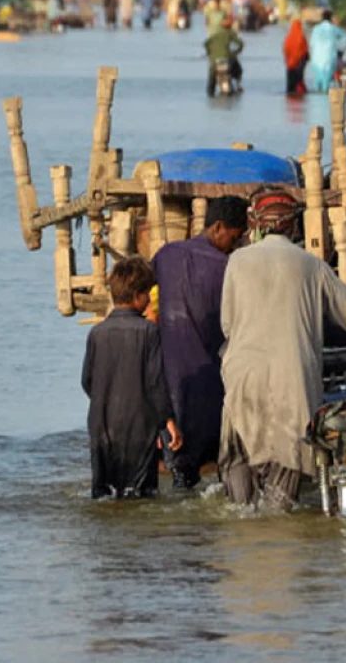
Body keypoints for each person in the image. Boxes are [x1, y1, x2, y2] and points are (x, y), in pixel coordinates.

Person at [219, 189, 346, 509]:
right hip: (293, 380)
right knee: (287, 465)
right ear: (293, 227)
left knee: (237, 458)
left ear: (257, 225)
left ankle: (241, 521)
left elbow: (227, 324)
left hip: (242, 375)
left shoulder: (237, 260)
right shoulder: (311, 265)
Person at [152, 196, 249, 489]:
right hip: (209, 380)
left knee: (181, 470)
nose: (236, 243)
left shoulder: (166, 254)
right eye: (234, 236)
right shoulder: (227, 268)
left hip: (168, 382)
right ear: (218, 228)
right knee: (219, 465)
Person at [81, 256, 183, 499]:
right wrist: (168, 421)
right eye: (147, 293)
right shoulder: (148, 331)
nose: (149, 300)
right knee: (140, 495)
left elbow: (87, 381)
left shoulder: (97, 333)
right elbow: (155, 382)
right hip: (138, 428)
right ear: (137, 295)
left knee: (105, 495)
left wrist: (106, 401)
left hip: (102, 426)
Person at [305, 11, 346, 93]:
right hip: (329, 58)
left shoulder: (316, 29)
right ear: (331, 18)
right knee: (326, 84)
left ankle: (315, 104)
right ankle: (325, 103)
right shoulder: (333, 29)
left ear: (322, 18)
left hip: (316, 59)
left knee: (317, 82)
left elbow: (311, 43)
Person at [204, 16, 244, 96]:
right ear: (230, 26)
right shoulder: (230, 34)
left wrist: (209, 53)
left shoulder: (215, 34)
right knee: (238, 70)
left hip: (214, 61)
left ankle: (210, 93)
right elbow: (240, 44)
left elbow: (206, 43)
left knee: (211, 78)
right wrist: (236, 52)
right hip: (227, 59)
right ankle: (238, 85)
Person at [282, 17, 310, 95]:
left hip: (290, 64)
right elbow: (305, 52)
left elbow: (285, 51)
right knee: (299, 82)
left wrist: (288, 61)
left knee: (290, 86)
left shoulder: (288, 38)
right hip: (299, 63)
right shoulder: (301, 37)